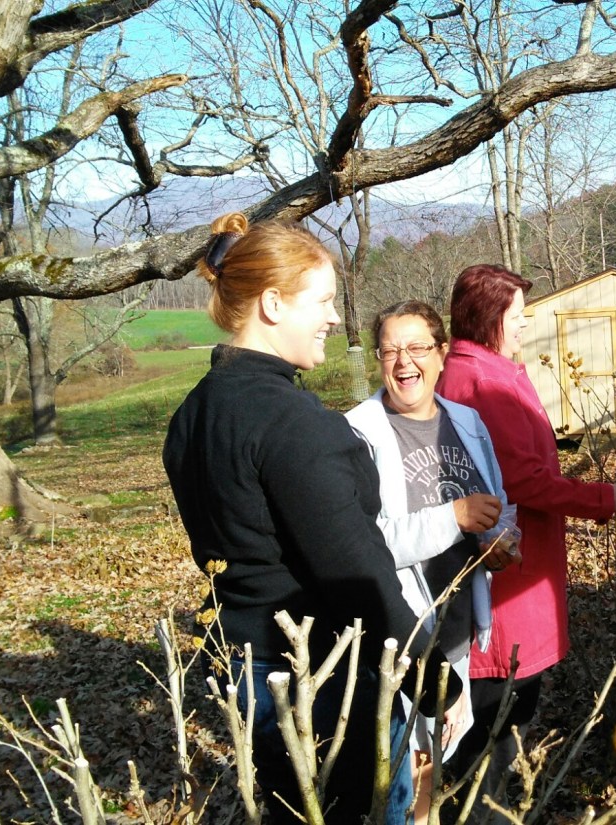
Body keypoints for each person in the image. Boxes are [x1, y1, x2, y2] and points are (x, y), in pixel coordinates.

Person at [163, 214, 464, 825]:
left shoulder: (192, 416)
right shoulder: (296, 425)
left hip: (247, 671)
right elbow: (356, 575)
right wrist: (436, 684)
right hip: (323, 682)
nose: (334, 317)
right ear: (273, 304)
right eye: (322, 301)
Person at [436, 264, 616, 819]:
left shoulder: (477, 372)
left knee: (499, 705)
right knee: (500, 707)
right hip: (508, 577)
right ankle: (485, 811)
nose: (525, 324)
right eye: (517, 315)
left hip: (504, 566)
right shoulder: (486, 383)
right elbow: (523, 480)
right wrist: (603, 498)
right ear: (488, 317)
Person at [345, 300, 520, 824]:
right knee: (410, 776)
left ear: (441, 353)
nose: (404, 362)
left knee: (439, 765)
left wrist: (501, 544)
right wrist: (455, 517)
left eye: (417, 347)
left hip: (461, 630)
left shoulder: (466, 421)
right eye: (390, 350)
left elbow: (499, 501)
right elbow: (361, 544)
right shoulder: (358, 432)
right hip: (401, 638)